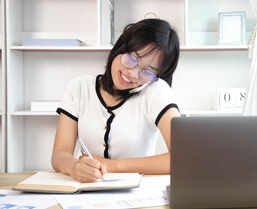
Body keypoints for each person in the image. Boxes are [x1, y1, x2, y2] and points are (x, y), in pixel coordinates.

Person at [51, 19, 181, 183]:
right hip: (86, 191)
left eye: (147, 72)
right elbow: (59, 154)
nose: (133, 74)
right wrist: (74, 167)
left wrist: (112, 166)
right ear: (121, 47)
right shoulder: (78, 88)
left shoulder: (155, 90)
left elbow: (183, 156)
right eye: (132, 59)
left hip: (137, 196)